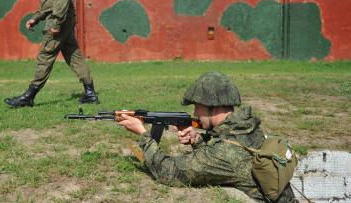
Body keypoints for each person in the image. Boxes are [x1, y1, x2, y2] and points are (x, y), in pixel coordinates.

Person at [119, 72, 297, 202]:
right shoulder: (248, 126)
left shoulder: (223, 155)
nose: (195, 112)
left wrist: (143, 133)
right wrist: (198, 141)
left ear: (213, 107)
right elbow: (227, 148)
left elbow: (169, 173)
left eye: (198, 106)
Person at [4, 0, 98, 108]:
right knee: (73, 55)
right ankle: (90, 93)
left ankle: (29, 96)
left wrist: (56, 21)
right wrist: (37, 17)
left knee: (45, 55)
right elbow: (53, 0)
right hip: (66, 18)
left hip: (60, 20)